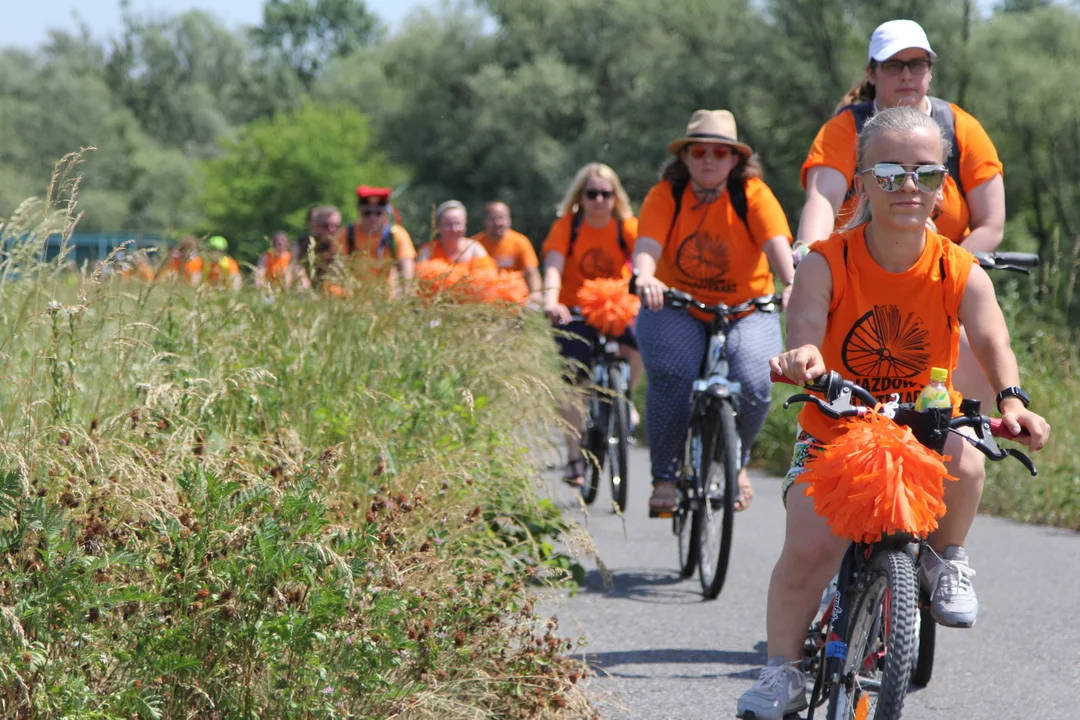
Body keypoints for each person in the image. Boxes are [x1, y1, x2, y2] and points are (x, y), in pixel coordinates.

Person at [736, 107, 1050, 720]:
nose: (909, 185)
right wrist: (802, 354)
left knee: (971, 450)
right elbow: (803, 326)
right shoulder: (828, 261)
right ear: (861, 181)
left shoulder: (958, 267)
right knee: (810, 551)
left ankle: (945, 562)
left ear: (942, 187)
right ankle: (783, 673)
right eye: (888, 171)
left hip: (925, 429)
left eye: (926, 172)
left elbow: (993, 343)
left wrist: (1014, 401)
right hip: (837, 429)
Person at [796, 18, 1006, 405]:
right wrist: (805, 250)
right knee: (826, 382)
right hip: (861, 273)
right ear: (872, 73)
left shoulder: (961, 127)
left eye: (918, 64)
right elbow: (823, 198)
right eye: (894, 65)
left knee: (967, 433)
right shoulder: (846, 128)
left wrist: (949, 268)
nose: (907, 75)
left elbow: (991, 221)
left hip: (939, 282)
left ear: (930, 71)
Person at [632, 109, 796, 515]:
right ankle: (666, 477)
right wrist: (646, 277)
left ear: (735, 159)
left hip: (746, 306)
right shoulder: (666, 194)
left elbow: (778, 247)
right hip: (676, 304)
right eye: (699, 151)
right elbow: (647, 248)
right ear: (685, 157)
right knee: (673, 376)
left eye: (720, 153)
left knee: (755, 380)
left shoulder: (752, 193)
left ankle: (736, 462)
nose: (709, 160)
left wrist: (792, 283)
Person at [541, 163, 643, 488]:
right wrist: (552, 300)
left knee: (642, 342)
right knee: (574, 381)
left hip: (616, 305)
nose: (599, 200)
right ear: (581, 197)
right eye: (592, 193)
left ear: (616, 197)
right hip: (574, 309)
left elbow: (645, 261)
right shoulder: (567, 227)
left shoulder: (625, 226)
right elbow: (554, 267)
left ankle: (626, 400)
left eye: (606, 193)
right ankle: (574, 456)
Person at [334, 186, 416, 290]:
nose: (373, 218)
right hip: (354, 300)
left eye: (378, 213)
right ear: (359, 211)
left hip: (388, 300)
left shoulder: (396, 234)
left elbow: (407, 271)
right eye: (367, 213)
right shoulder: (347, 233)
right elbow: (336, 269)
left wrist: (405, 297)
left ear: (386, 212)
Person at [472, 202, 542, 304]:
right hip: (484, 301)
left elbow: (531, 271)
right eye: (492, 218)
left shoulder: (520, 242)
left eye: (501, 218)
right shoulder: (475, 244)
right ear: (485, 221)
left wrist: (536, 294)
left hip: (517, 300)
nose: (497, 223)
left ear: (509, 220)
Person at [418, 200, 495, 272]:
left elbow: (488, 278)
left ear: (465, 226)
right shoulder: (427, 251)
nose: (454, 229)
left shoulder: (474, 249)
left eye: (458, 223)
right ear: (438, 226)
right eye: (448, 224)